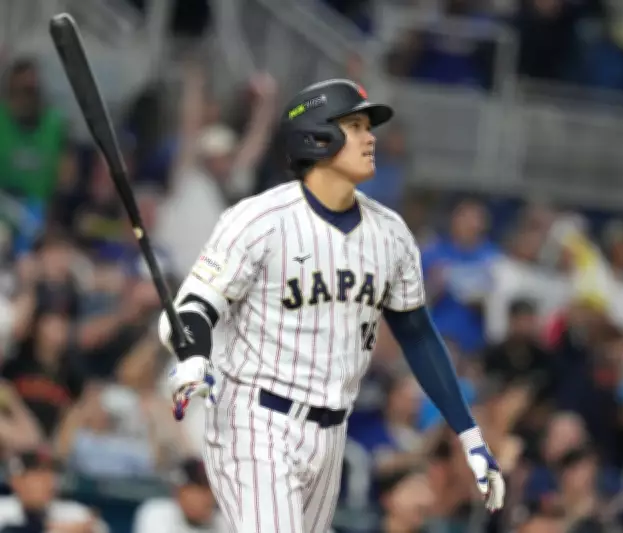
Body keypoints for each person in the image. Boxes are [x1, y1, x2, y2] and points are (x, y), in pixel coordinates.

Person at [157, 78, 505, 533]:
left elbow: (419, 336)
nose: (370, 138)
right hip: (256, 420)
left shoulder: (391, 234)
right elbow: (192, 307)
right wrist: (193, 355)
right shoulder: (258, 219)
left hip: (332, 432)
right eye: (356, 126)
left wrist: (469, 433)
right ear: (317, 137)